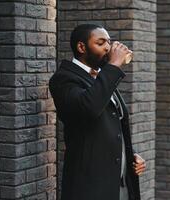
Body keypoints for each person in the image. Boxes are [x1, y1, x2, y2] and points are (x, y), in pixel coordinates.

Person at [49, 24, 146, 200]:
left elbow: (111, 124)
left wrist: (128, 155)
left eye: (108, 42)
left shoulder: (102, 77)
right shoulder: (64, 79)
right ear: (81, 47)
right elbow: (89, 108)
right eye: (101, 43)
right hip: (90, 187)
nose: (108, 48)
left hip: (121, 184)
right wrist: (114, 64)